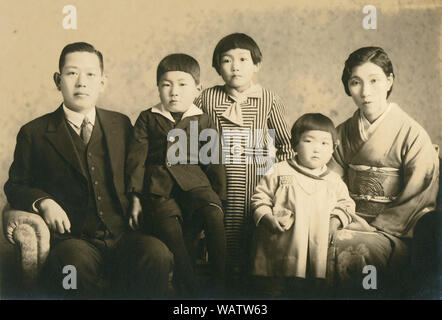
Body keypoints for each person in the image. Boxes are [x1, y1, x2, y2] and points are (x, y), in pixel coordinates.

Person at [3, 42, 173, 299]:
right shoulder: (34, 132)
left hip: (121, 234)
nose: (81, 82)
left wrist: (136, 197)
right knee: (73, 268)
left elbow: (138, 169)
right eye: (72, 74)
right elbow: (15, 185)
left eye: (90, 75)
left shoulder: (121, 124)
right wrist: (44, 202)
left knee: (157, 254)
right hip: (74, 239)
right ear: (58, 80)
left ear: (102, 83)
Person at [328, 46, 439, 297]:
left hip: (392, 231)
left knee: (358, 250)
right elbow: (328, 183)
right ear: (348, 86)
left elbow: (419, 196)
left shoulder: (412, 134)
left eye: (374, 80)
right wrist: (337, 218)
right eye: (356, 82)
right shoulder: (342, 132)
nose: (365, 92)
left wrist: (375, 227)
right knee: (315, 242)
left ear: (389, 81)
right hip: (348, 219)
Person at [195, 33, 295, 291]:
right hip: (220, 181)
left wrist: (280, 185)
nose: (235, 66)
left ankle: (252, 286)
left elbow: (285, 145)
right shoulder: (207, 98)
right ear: (218, 67)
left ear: (256, 65)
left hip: (257, 180)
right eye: (227, 60)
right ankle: (222, 282)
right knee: (221, 234)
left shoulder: (269, 100)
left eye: (242, 59)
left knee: (255, 233)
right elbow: (191, 135)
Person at [126, 53, 227, 298]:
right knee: (170, 229)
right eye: (166, 85)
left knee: (213, 214)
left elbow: (214, 160)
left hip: (195, 185)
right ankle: (190, 290)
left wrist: (218, 198)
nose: (174, 92)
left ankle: (223, 287)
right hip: (158, 190)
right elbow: (136, 161)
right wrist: (135, 199)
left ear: (197, 88)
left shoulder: (203, 119)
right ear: (158, 88)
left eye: (182, 84)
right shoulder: (147, 118)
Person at [250, 113, 356, 298]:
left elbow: (346, 204)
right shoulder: (279, 170)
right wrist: (267, 217)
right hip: (281, 244)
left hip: (317, 245)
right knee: (275, 289)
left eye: (324, 143)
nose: (317, 149)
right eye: (308, 141)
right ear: (295, 144)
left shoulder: (333, 180)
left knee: (311, 288)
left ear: (333, 148)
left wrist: (336, 220)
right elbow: (260, 198)